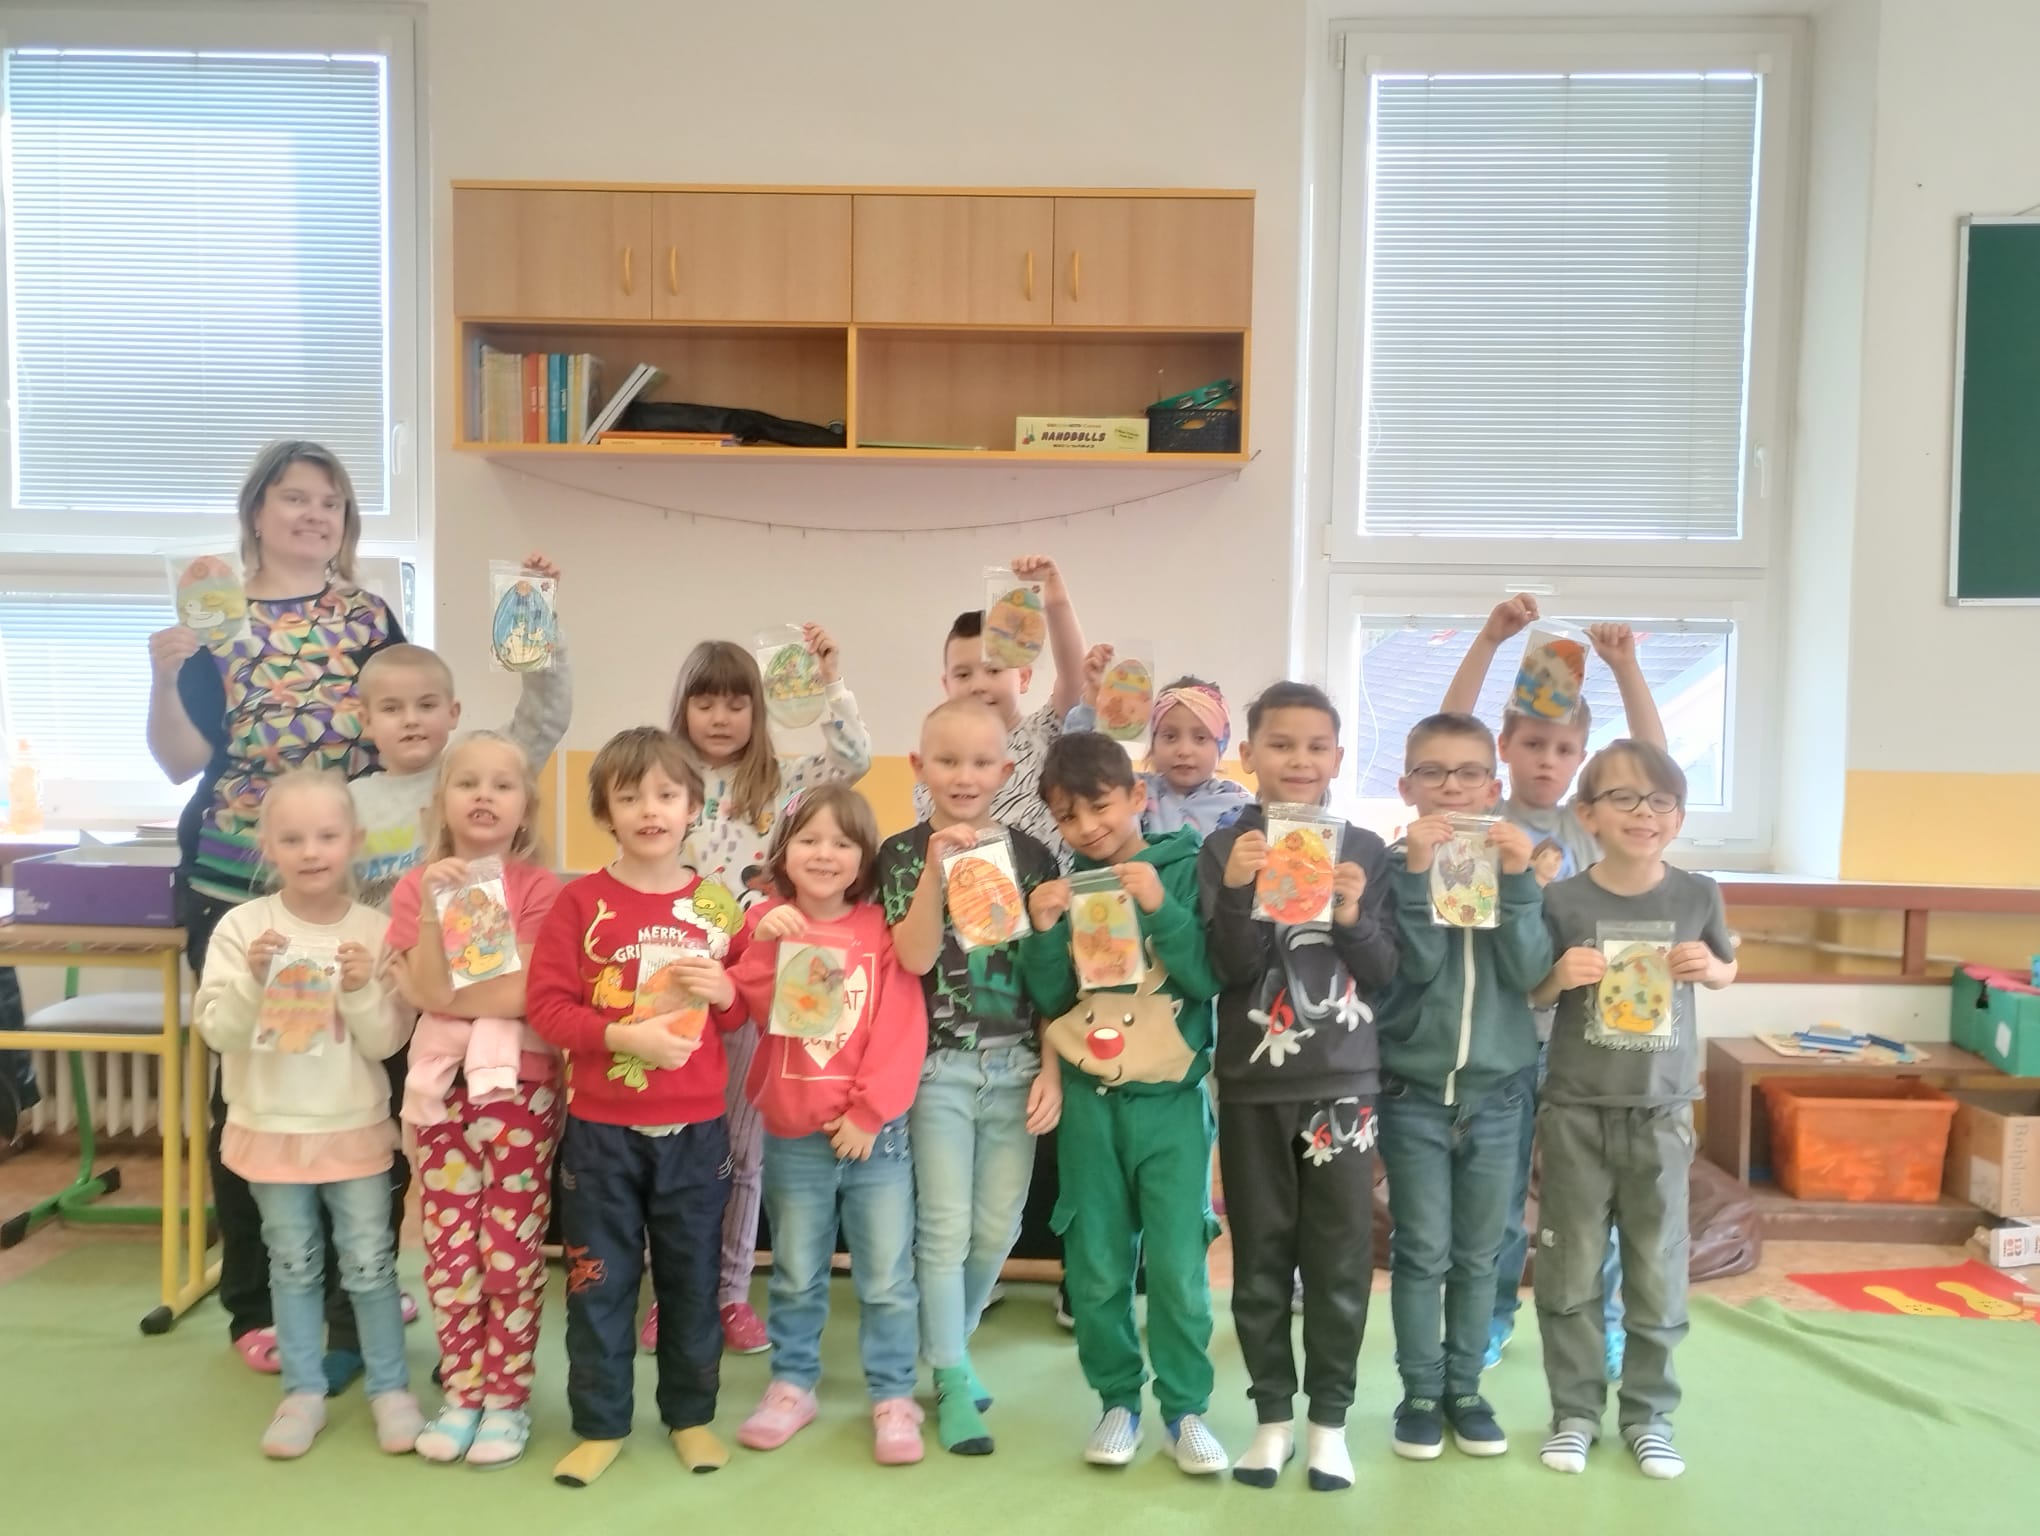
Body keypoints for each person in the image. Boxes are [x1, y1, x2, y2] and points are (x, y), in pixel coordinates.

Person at [146, 439, 404, 1374]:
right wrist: (164, 673)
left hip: (356, 891)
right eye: (295, 498)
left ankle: (357, 1283)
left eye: (330, 502)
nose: (313, 515)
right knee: (255, 1090)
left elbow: (399, 729)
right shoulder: (212, 616)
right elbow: (179, 760)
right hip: (237, 886)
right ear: (257, 510)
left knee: (364, 1079)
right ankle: (257, 1299)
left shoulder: (367, 615)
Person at [1441, 597, 1669, 1376]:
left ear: (1581, 760)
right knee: (1499, 1198)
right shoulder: (1479, 815)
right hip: (1504, 1034)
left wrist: (1625, 666)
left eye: (1564, 749)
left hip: (1584, 1040)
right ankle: (1491, 1317)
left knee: (1591, 1198)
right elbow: (1447, 733)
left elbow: (1652, 765)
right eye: (1532, 744)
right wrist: (1488, 640)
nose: (1546, 760)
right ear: (1504, 747)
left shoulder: (1590, 825)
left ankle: (1604, 1321)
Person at [527, 728, 745, 1487]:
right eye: (629, 797)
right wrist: (621, 1035)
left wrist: (728, 990)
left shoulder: (716, 904)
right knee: (597, 1282)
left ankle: (691, 1417)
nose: (650, 810)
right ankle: (600, 1424)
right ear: (605, 812)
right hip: (602, 1132)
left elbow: (740, 1011)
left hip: (696, 1130)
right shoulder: (578, 902)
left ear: (693, 806)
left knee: (691, 1282)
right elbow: (548, 1008)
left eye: (666, 795)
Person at [1197, 682, 1398, 1492]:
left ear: (1339, 758)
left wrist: (1352, 914)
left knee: (1341, 1255)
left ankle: (1329, 1425)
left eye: (1316, 746)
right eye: (1281, 745)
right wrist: (1239, 891)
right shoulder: (1225, 846)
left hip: (1343, 1079)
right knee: (1261, 1255)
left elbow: (1385, 972)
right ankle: (1272, 1420)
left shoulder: (1366, 848)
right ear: (1249, 755)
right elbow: (1227, 968)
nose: (1299, 761)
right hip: (1252, 1082)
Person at [191, 769, 420, 1459]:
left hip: (353, 1129)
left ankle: (391, 1389)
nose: (311, 851)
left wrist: (359, 989)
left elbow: (387, 1042)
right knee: (291, 1264)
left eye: (326, 836)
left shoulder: (375, 930)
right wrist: (253, 981)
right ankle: (303, 1392)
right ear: (267, 846)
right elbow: (216, 1031)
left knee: (370, 1264)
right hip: (271, 1130)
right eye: (292, 839)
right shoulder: (242, 928)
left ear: (354, 841)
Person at [1019, 732, 1226, 1476]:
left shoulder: (1186, 866)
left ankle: (1186, 1409)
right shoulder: (1069, 886)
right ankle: (1117, 1401)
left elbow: (1205, 978)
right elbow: (1052, 997)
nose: (1088, 828)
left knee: (1177, 1267)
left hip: (1171, 1104)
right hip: (1089, 1105)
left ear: (1138, 796)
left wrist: (1161, 906)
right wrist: (1042, 931)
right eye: (1068, 817)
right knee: (1098, 1266)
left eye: (1101, 807)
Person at [1530, 740, 1736, 1481]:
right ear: (1587, 814)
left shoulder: (1698, 894)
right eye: (1622, 797)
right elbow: (1532, 993)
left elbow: (1727, 967)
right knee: (1570, 1269)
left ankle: (1649, 1416)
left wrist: (1712, 969)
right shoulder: (1562, 901)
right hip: (1576, 1111)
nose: (1643, 813)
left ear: (1677, 817)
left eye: (1660, 801)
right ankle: (1574, 1414)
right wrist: (1558, 977)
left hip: (1662, 1112)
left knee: (1656, 1269)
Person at [662, 628, 869, 1358]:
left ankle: (728, 1292)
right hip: (678, 984)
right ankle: (676, 1294)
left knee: (744, 1152)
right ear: (683, 708)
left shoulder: (782, 783)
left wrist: (828, 684)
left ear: (759, 708)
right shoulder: (668, 781)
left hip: (762, 983)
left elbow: (854, 761)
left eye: (736, 703)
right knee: (678, 1149)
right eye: (705, 703)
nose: (721, 718)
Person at [877, 700, 1064, 1456]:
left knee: (998, 1229)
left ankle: (947, 1341)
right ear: (919, 767)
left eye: (981, 762)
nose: (964, 776)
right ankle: (952, 1375)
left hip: (1018, 1065)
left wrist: (1052, 1069)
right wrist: (932, 872)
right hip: (939, 1069)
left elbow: (1051, 980)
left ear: (1005, 771)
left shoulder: (1033, 856)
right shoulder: (899, 854)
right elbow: (915, 957)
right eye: (947, 761)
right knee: (946, 1228)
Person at [723, 785, 931, 1465]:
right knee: (794, 1272)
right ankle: (792, 1384)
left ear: (863, 858)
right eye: (809, 839)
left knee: (886, 1277)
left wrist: (869, 1113)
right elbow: (745, 1008)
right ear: (784, 852)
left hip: (876, 1140)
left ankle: (893, 1394)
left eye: (842, 842)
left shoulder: (878, 931)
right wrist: (762, 944)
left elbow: (901, 1028)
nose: (824, 854)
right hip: (793, 1137)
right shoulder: (768, 922)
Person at [1374, 713, 1550, 1463]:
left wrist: (1520, 881)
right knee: (1421, 1250)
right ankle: (1419, 1393)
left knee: (1482, 1252)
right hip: (1413, 1092)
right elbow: (1410, 969)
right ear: (1406, 786)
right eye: (1434, 773)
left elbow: (1531, 972)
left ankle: (1467, 1390)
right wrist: (1416, 875)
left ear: (1493, 785)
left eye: (1469, 772)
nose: (1452, 787)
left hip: (1500, 1094)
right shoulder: (1390, 865)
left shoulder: (1517, 863)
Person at [385, 732, 563, 1469]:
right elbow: (426, 989)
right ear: (442, 802)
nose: (484, 796)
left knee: (509, 1253)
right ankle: (462, 1393)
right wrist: (436, 913)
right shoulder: (413, 887)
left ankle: (506, 1401)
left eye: (502, 785)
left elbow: (520, 996)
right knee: (449, 1253)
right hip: (439, 1091)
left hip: (519, 1088)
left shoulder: (540, 890)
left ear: (525, 808)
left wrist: (443, 992)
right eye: (468, 783)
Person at [351, 555, 573, 910]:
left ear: (453, 713)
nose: (411, 720)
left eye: (426, 705)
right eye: (392, 708)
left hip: (474, 940)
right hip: (381, 943)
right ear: (366, 720)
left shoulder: (477, 770)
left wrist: (536, 615)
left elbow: (544, 717)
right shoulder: (347, 802)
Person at [919, 555, 1088, 864]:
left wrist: (1056, 601)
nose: (978, 685)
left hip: (1048, 888)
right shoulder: (935, 765)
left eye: (994, 670)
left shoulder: (1044, 732)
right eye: (963, 675)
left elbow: (1076, 679)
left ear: (1023, 677)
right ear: (946, 685)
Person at [1066, 660, 1253, 836]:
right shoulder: (1132, 789)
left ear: (1221, 744)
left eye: (1200, 738)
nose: (1184, 750)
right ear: (1154, 743)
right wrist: (1093, 698)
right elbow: (1078, 765)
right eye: (1170, 737)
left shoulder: (1239, 804)